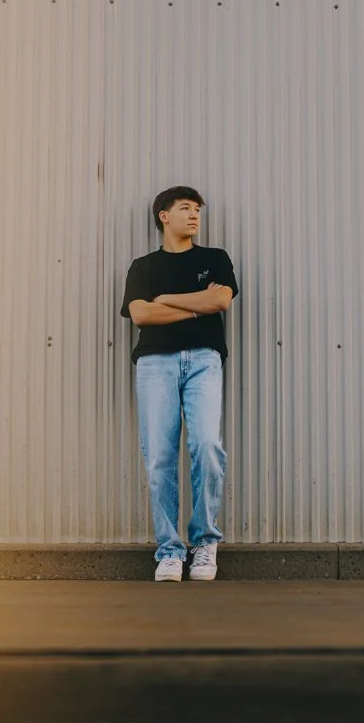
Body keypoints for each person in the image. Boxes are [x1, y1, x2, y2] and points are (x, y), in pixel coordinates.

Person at [119, 186, 239, 582]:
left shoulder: (214, 258)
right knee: (159, 455)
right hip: (155, 362)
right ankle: (170, 551)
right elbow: (141, 314)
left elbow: (220, 301)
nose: (194, 215)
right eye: (185, 208)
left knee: (206, 445)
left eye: (198, 210)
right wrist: (196, 306)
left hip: (204, 360)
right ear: (163, 216)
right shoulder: (143, 267)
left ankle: (204, 543)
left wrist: (167, 300)